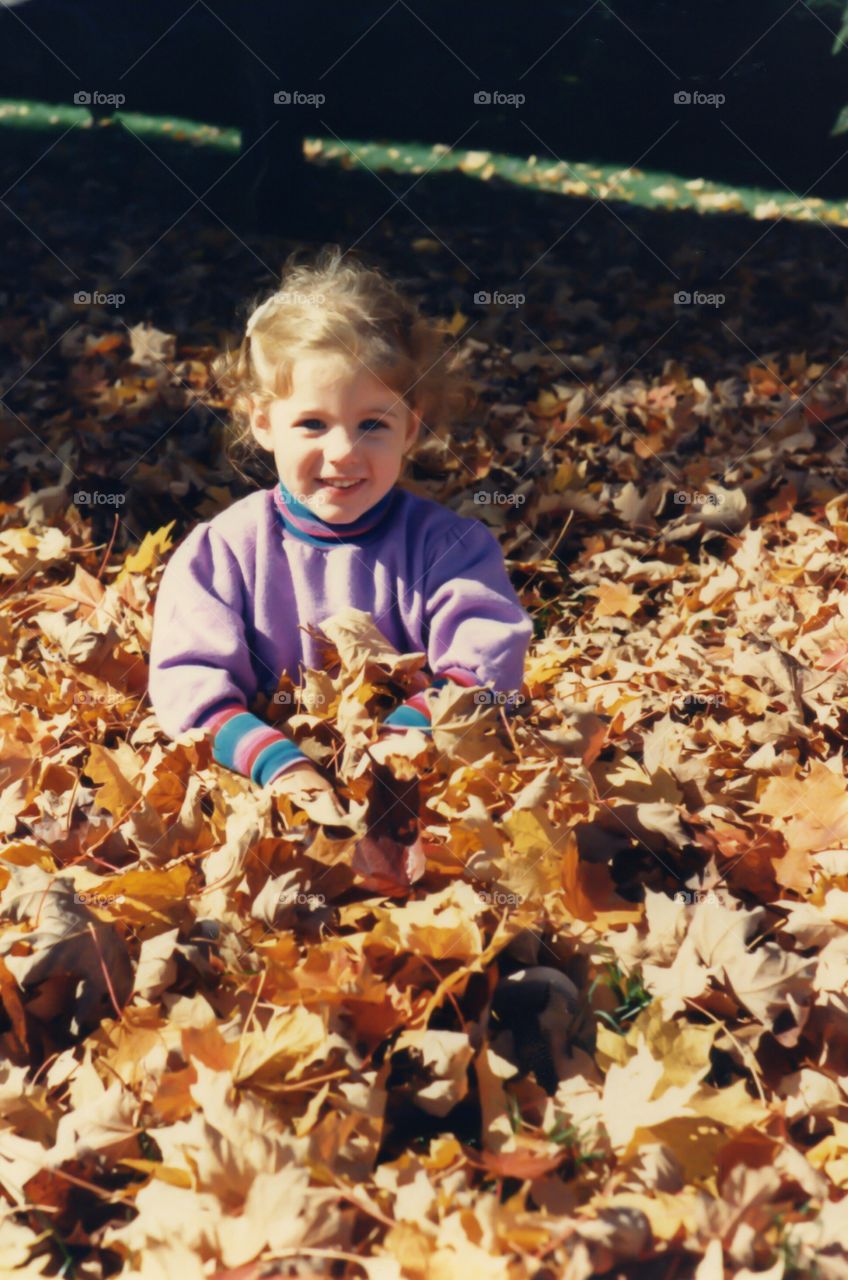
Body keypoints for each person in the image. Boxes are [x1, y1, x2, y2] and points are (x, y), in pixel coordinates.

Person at [148, 245, 533, 844]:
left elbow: (488, 661)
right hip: (269, 807)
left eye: (372, 424)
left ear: (413, 425)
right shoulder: (221, 553)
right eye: (312, 424)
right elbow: (189, 685)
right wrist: (283, 767)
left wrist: (400, 743)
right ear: (262, 421)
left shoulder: (452, 549)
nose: (343, 452)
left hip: (424, 801)